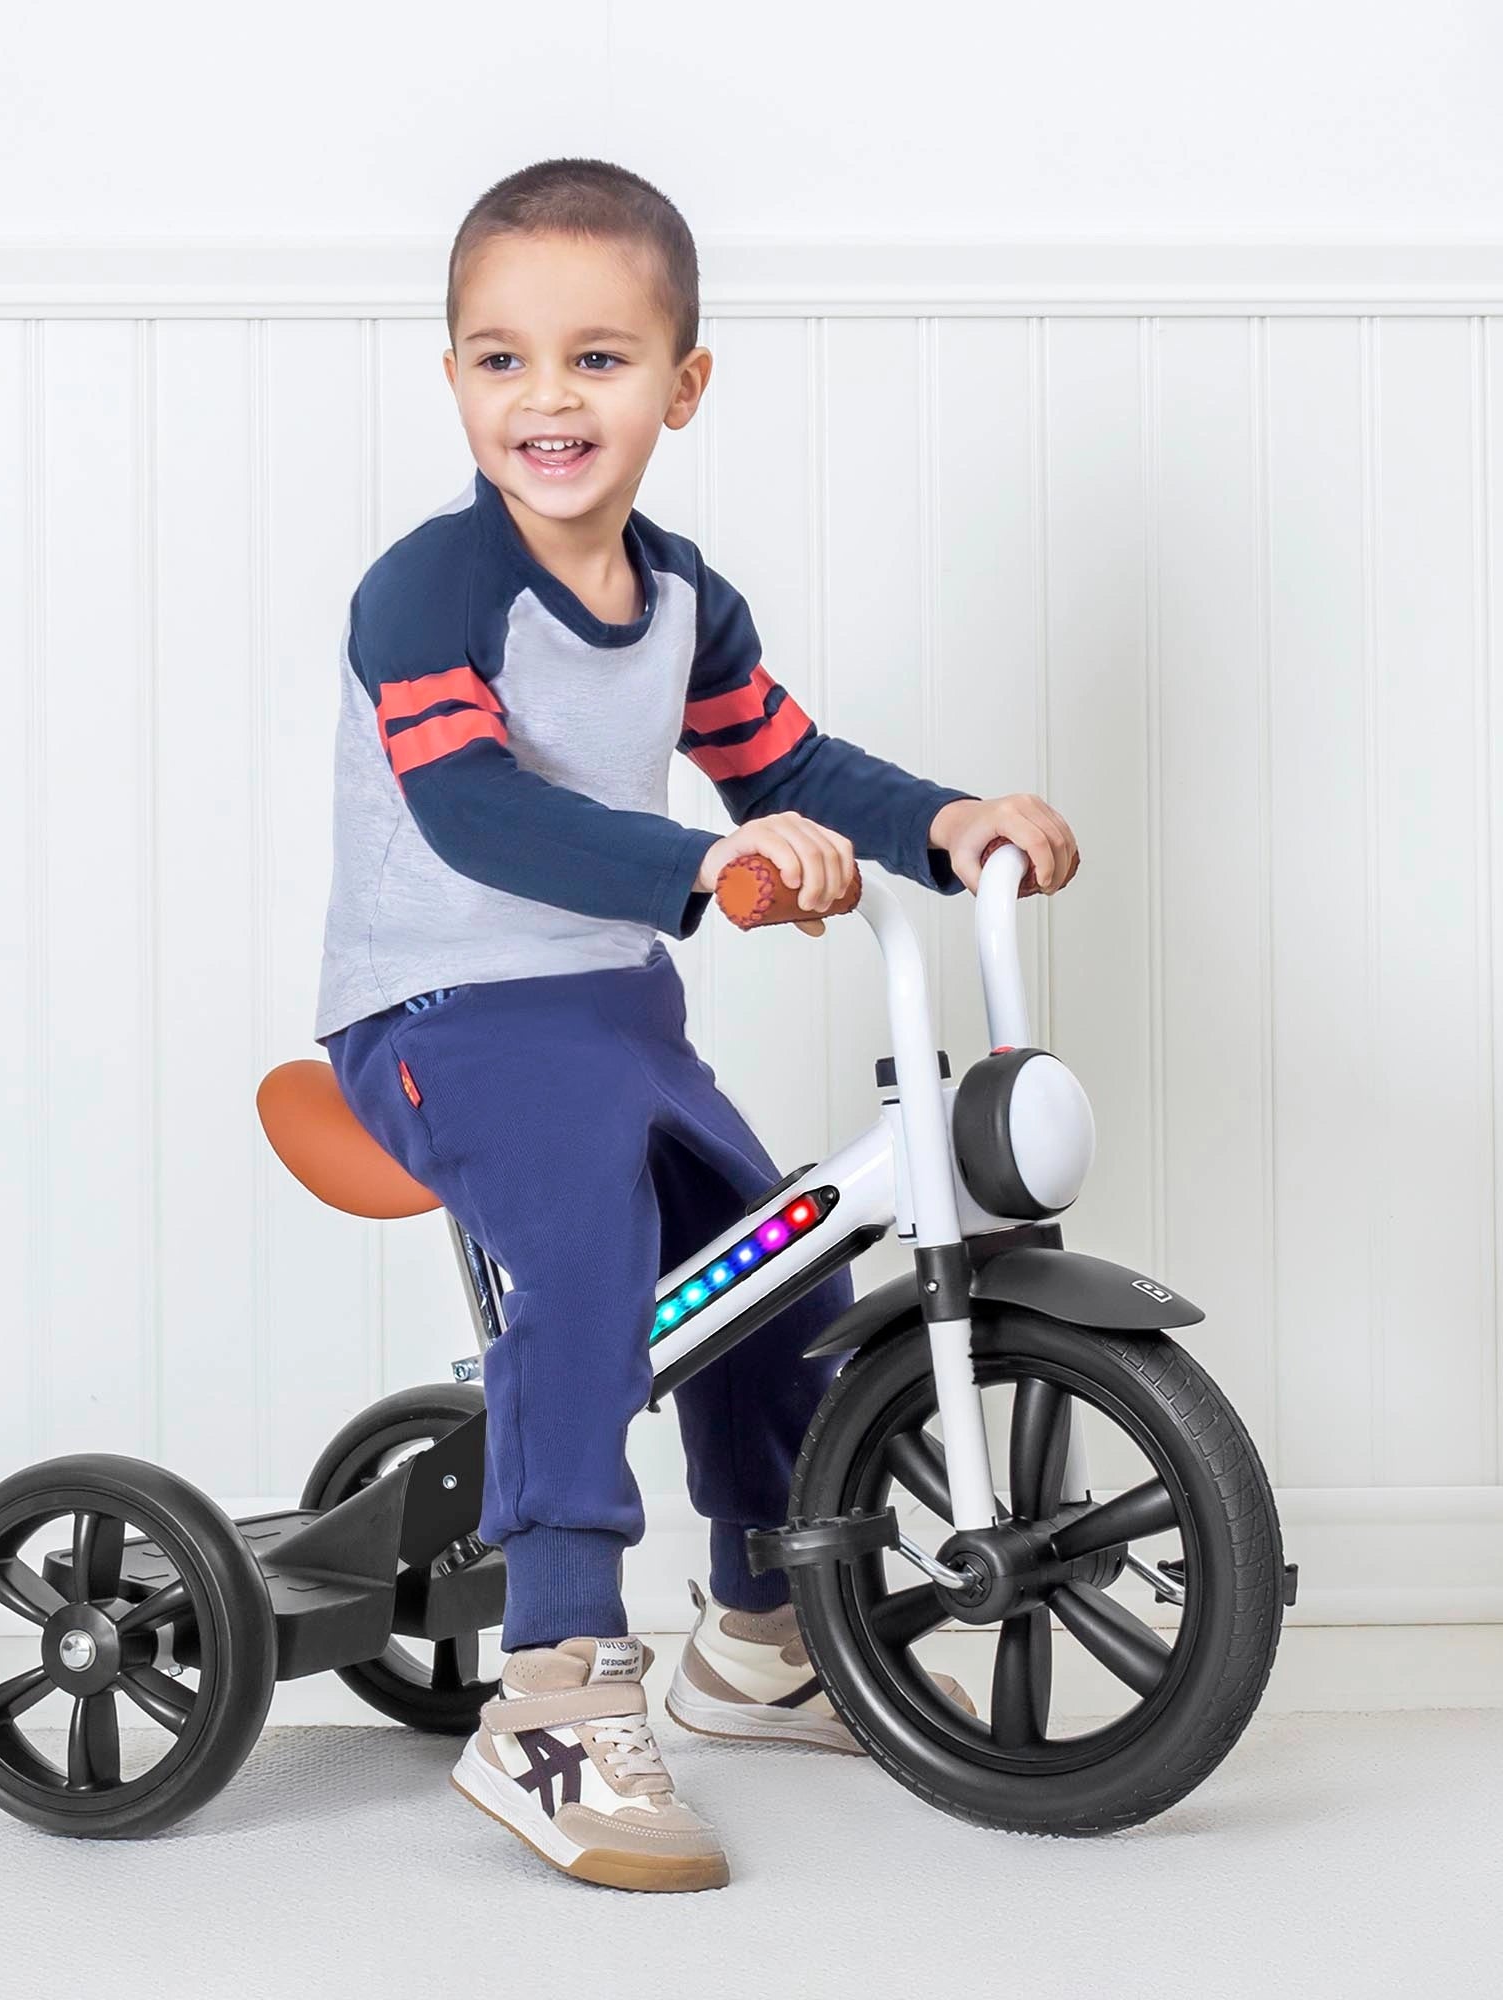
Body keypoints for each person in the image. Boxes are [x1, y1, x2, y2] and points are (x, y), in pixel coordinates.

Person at [313, 157, 1081, 1892]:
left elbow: (788, 764)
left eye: (597, 357)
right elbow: (477, 812)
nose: (547, 398)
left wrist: (947, 822)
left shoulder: (677, 598)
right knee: (585, 1254)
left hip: (607, 1010)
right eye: (500, 359)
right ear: (452, 382)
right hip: (436, 1012)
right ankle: (556, 1687)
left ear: (684, 384)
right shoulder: (428, 591)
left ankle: (756, 1631)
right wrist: (707, 862)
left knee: (769, 1263)